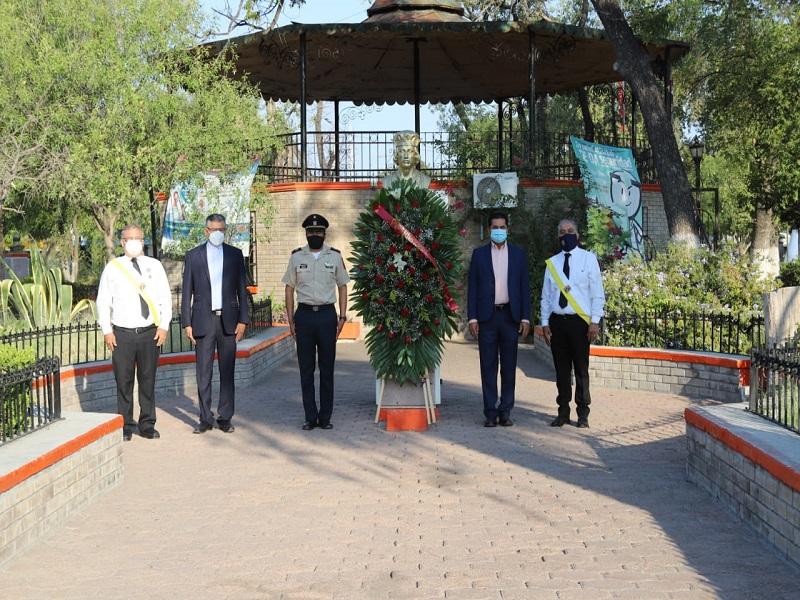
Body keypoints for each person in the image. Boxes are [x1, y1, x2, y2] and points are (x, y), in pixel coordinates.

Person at [96, 224, 172, 441]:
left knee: (148, 380)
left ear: (143, 240)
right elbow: (103, 302)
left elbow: (164, 298)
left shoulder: (154, 266)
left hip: (149, 333)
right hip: (122, 334)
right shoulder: (113, 267)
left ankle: (147, 424)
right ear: (122, 242)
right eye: (129, 238)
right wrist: (107, 331)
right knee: (124, 381)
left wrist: (164, 326)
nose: (134, 242)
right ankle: (125, 425)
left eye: (138, 238)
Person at [181, 214, 250, 434]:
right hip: (203, 320)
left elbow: (242, 289)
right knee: (203, 372)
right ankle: (205, 418)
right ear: (206, 231)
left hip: (228, 320)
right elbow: (186, 293)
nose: (218, 233)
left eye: (221, 229)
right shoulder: (193, 256)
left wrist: (243, 320)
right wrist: (186, 322)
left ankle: (225, 417)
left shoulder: (235, 255)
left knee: (227, 370)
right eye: (214, 229)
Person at [282, 214, 349, 430]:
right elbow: (289, 288)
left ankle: (325, 417)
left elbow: (343, 286)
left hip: (327, 316)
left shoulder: (335, 256)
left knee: (327, 369)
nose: (314, 235)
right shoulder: (296, 257)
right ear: (306, 234)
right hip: (304, 316)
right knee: (306, 369)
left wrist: (342, 316)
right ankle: (310, 417)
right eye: (310, 232)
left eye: (318, 231)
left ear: (324, 233)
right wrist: (291, 318)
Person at [539, 218, 605, 429]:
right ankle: (563, 412)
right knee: (561, 370)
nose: (566, 234)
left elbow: (597, 293)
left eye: (570, 231)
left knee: (581, 370)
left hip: (579, 323)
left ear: (577, 235)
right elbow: (546, 297)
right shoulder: (553, 263)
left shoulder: (588, 259)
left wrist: (595, 321)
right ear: (558, 236)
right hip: (558, 322)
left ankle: (583, 413)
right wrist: (544, 323)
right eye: (562, 231)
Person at [467, 211, 531, 427]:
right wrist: (472, 318)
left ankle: (506, 411)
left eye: (502, 227)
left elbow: (524, 288)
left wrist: (525, 318)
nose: (499, 231)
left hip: (510, 317)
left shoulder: (518, 254)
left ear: (508, 229)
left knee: (509, 366)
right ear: (489, 230)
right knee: (488, 366)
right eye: (495, 227)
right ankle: (490, 413)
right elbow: (473, 288)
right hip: (487, 318)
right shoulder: (479, 255)